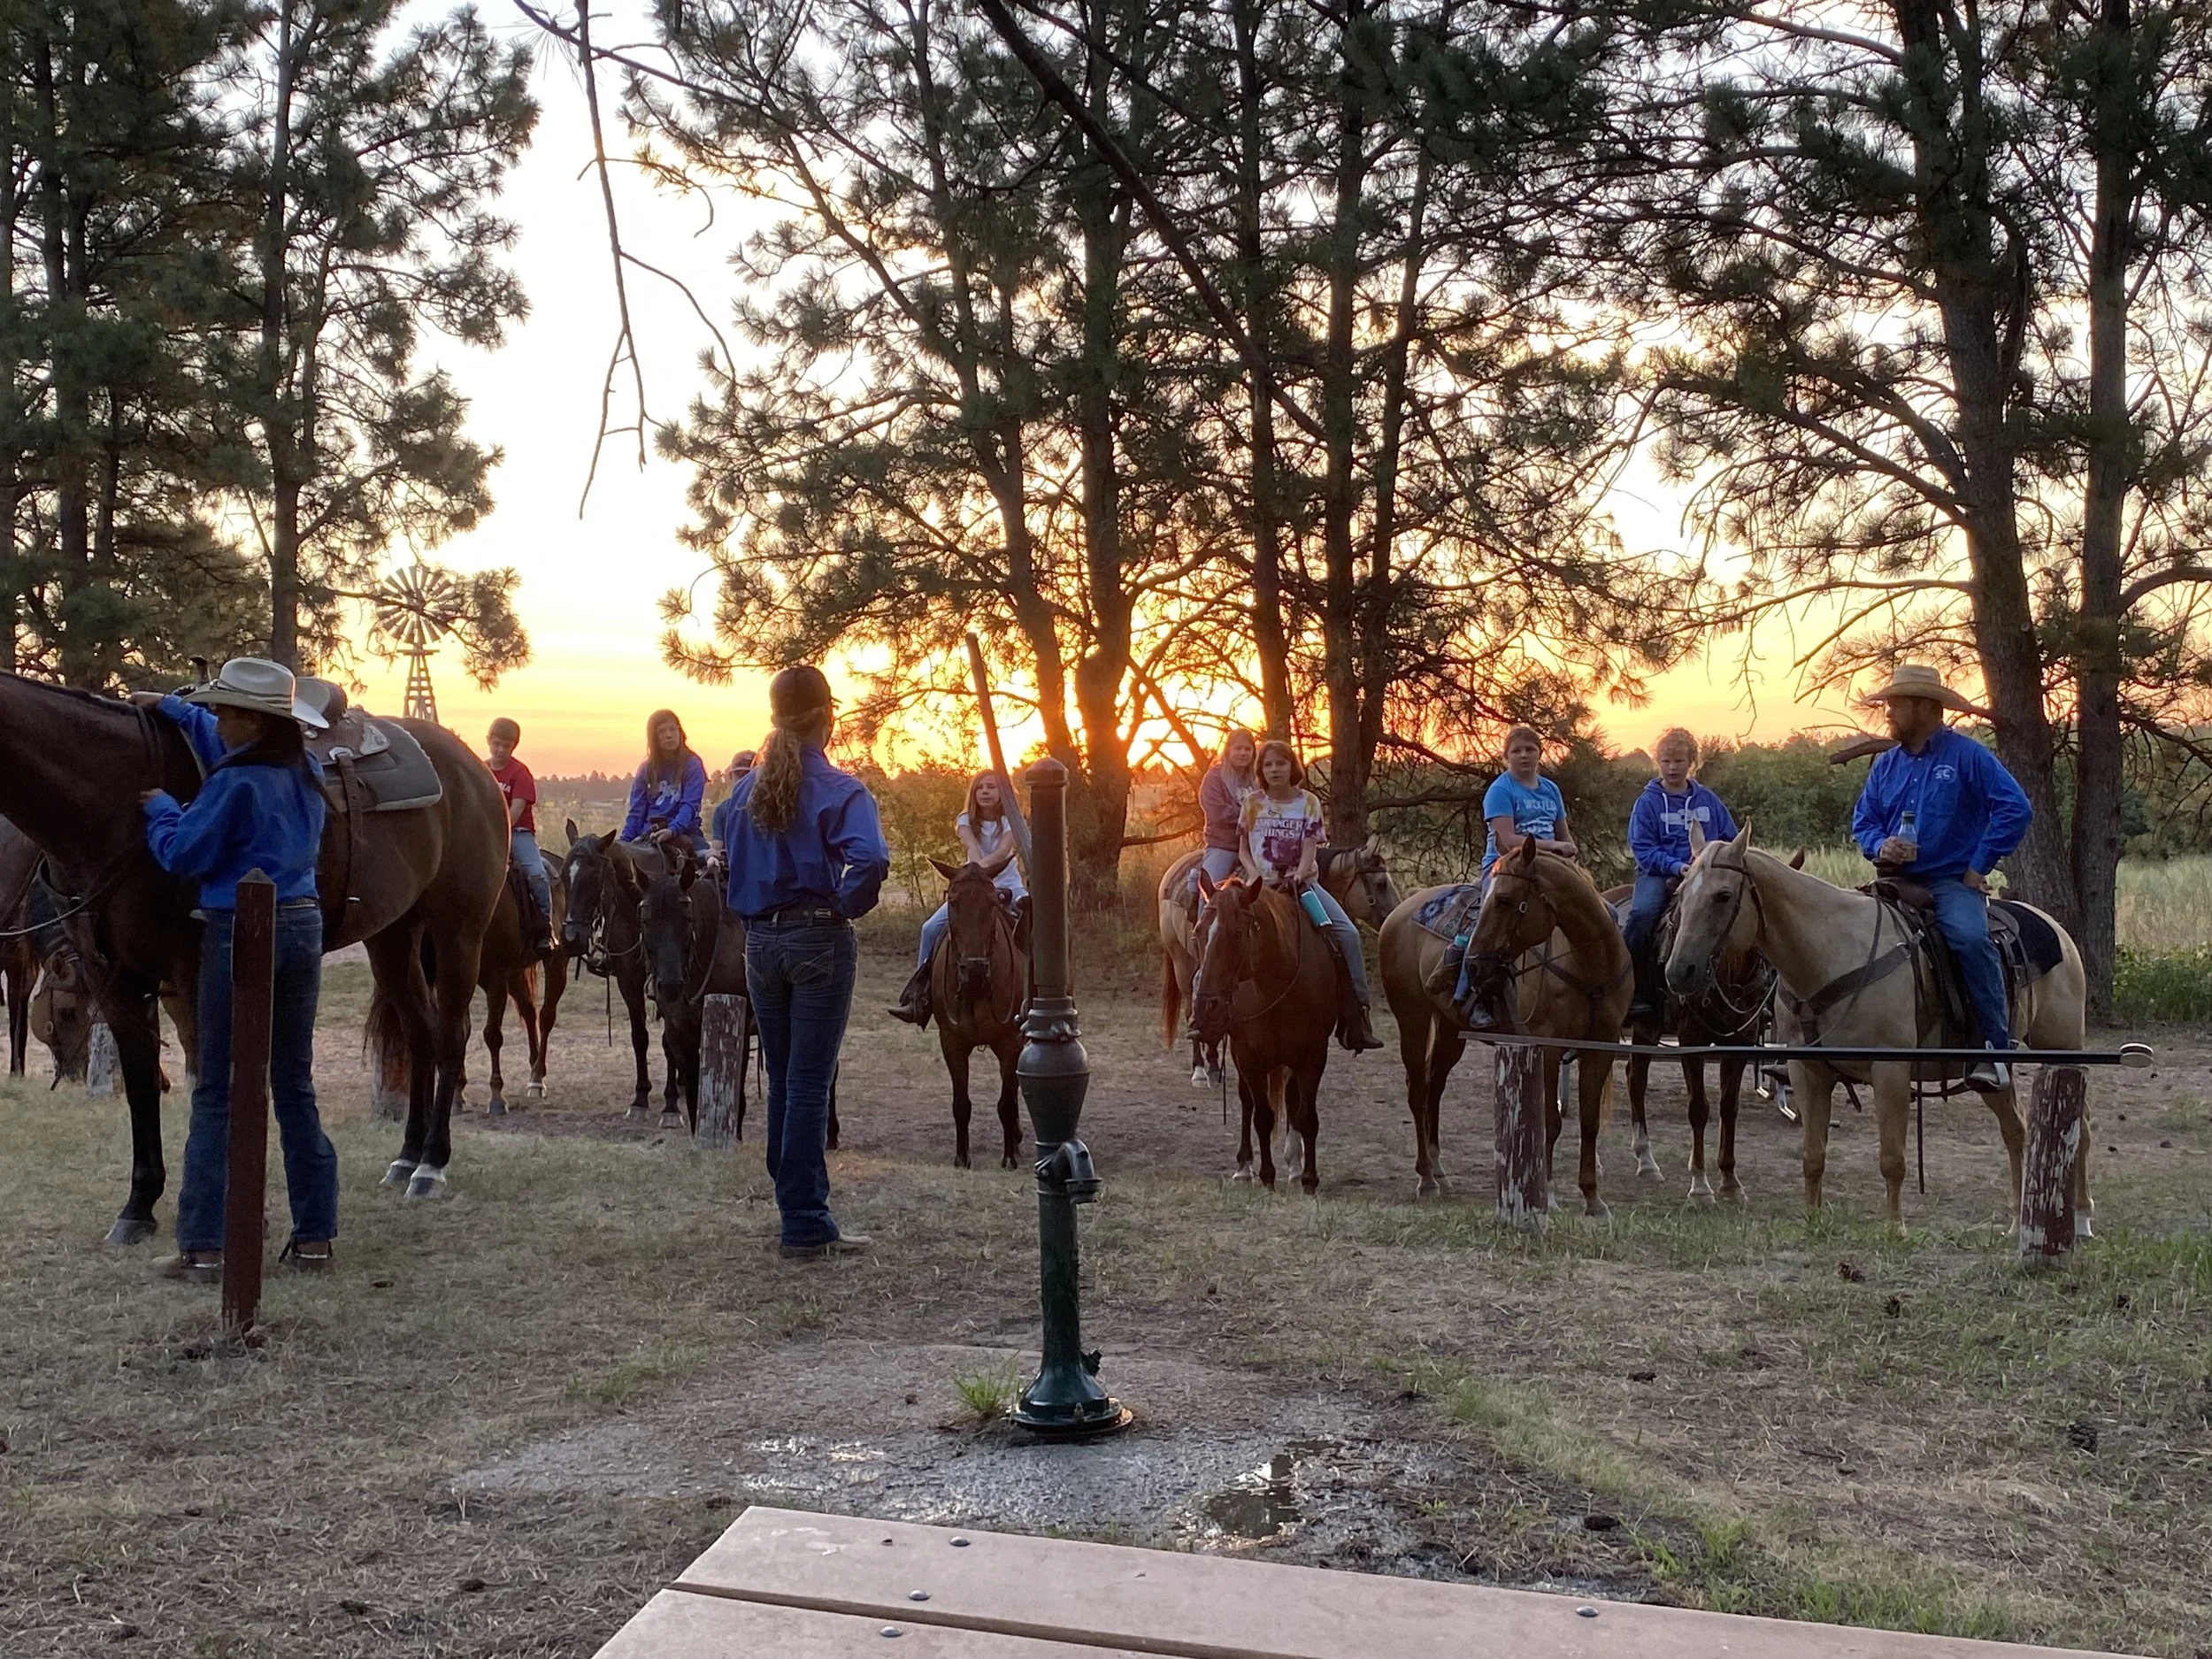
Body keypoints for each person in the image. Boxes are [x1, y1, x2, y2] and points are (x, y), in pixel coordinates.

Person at [132, 659, 338, 1282]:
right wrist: (172, 706)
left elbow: (182, 853)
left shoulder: (233, 784)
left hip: (240, 931)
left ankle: (203, 1244)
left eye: (227, 711)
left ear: (253, 720)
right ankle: (314, 1236)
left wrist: (163, 809)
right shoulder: (305, 767)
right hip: (303, 923)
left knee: (218, 1084)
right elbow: (208, 730)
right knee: (294, 1082)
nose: (216, 719)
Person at [721, 666, 890, 1258]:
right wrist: (842, 905)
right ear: (829, 717)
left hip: (760, 943)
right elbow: (868, 857)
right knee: (809, 1079)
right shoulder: (841, 789)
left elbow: (723, 844)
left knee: (784, 1071)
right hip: (818, 939)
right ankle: (804, 1217)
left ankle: (793, 1200)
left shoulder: (745, 791)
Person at [1851, 663, 2032, 1091]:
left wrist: (1979, 865)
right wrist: (1881, 845)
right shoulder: (1885, 765)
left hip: (1949, 882)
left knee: (1969, 939)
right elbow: (1864, 820)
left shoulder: (1968, 756)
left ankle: (1995, 1050)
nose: (1888, 712)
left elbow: (2015, 807)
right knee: (1838, 931)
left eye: (1896, 704)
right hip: (1893, 881)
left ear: (1925, 707)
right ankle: (1823, 1043)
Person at [1237, 740, 1381, 1051]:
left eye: (1281, 763)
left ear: (1293, 767)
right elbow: (1244, 849)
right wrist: (1252, 874)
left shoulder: (1309, 802)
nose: (1275, 770)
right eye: (1268, 765)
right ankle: (1212, 1011)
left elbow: (1310, 846)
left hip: (1301, 887)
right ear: (1261, 771)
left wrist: (1302, 872)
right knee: (1219, 930)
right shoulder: (1251, 804)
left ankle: (1357, 1014)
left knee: (1348, 935)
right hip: (1260, 888)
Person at [1428, 726, 1578, 998]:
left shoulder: (1551, 790)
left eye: (1530, 750)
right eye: (1517, 751)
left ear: (1540, 754)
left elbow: (1564, 835)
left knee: (1601, 914)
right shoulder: (1500, 790)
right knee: (1483, 923)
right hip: (1506, 867)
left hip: (1549, 869)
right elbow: (1508, 840)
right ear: (1506, 756)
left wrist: (1569, 856)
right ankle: (1465, 994)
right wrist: (1555, 846)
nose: (1524, 756)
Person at [888, 771, 1025, 1024]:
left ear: (1003, 792)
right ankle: (921, 994)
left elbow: (1004, 851)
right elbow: (973, 849)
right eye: (980, 787)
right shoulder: (965, 820)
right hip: (973, 889)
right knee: (930, 929)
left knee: (1036, 924)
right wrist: (977, 877)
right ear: (973, 794)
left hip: (1008, 885)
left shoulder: (1011, 821)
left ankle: (1041, 994)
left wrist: (978, 872)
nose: (985, 791)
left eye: (992, 787)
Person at [1624, 728, 1738, 1020]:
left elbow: (1729, 838)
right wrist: (1676, 867)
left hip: (1704, 876)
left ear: (1691, 762)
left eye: (1678, 761)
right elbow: (1643, 847)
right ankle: (1628, 986)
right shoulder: (1647, 803)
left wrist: (1711, 865)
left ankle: (1755, 990)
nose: (1672, 768)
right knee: (1642, 914)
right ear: (1657, 762)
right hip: (1658, 874)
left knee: (1744, 912)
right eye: (1666, 761)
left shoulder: (1708, 801)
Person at [487, 718, 555, 957]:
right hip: (485, 834)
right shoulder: (481, 771)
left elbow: (516, 809)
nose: (500, 750)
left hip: (517, 833)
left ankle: (545, 927)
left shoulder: (519, 773)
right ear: (488, 741)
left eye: (506, 746)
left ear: (514, 747)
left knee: (536, 873)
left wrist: (499, 831)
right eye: (496, 744)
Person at [621, 710, 708, 855]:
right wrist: (623, 843)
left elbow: (690, 805)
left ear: (680, 732)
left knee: (709, 863)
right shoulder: (646, 769)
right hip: (648, 833)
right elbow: (636, 812)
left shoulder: (692, 764)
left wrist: (672, 830)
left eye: (673, 729)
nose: (669, 735)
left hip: (686, 832)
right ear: (654, 738)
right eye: (662, 731)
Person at [1190, 728, 1259, 905]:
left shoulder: (1258, 779)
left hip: (1257, 848)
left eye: (1247, 749)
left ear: (1253, 752)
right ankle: (1201, 928)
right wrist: (1251, 818)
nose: (1243, 753)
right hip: (1224, 846)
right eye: (1238, 748)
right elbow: (1216, 811)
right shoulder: (1214, 778)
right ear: (1228, 750)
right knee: (1211, 892)